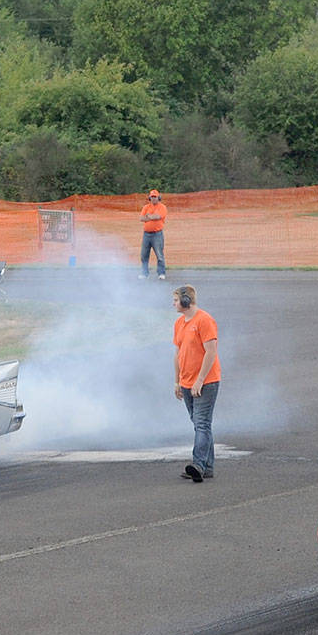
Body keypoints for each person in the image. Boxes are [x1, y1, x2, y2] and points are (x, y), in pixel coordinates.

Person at [172, 285, 220, 482]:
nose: (173, 304)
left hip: (205, 382)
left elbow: (211, 352)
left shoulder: (204, 320)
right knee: (200, 424)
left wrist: (200, 380)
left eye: (175, 300)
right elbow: (177, 354)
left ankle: (198, 464)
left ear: (185, 301)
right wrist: (177, 381)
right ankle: (207, 466)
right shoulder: (179, 323)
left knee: (201, 423)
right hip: (186, 381)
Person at [139, 189, 167, 279]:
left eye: (155, 197)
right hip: (146, 234)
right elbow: (142, 218)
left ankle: (161, 273)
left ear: (158, 197)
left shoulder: (162, 207)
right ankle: (144, 273)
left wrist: (149, 216)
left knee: (159, 255)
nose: (153, 198)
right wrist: (151, 217)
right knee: (144, 255)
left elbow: (158, 216)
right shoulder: (146, 207)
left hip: (157, 234)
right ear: (149, 198)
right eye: (152, 197)